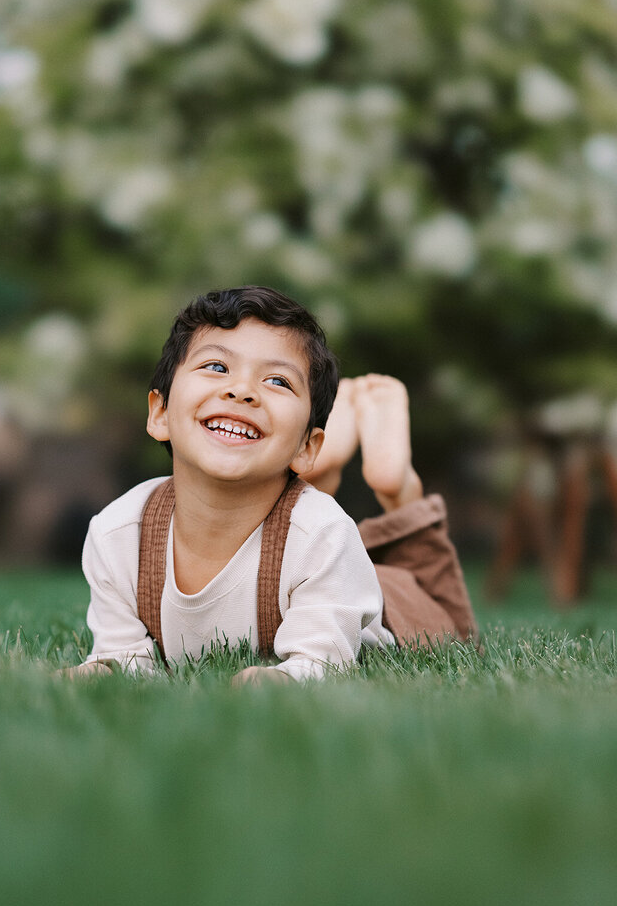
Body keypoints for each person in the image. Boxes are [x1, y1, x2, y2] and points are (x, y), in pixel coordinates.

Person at [67, 286, 477, 685]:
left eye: (278, 381)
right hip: (306, 555)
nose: (242, 390)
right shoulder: (118, 535)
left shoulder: (323, 534)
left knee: (447, 623)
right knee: (305, 535)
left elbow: (324, 663)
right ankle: (324, 478)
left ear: (305, 446)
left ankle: (399, 488)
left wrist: (283, 679)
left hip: (381, 605)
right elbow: (124, 661)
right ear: (159, 413)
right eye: (216, 367)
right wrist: (105, 669)